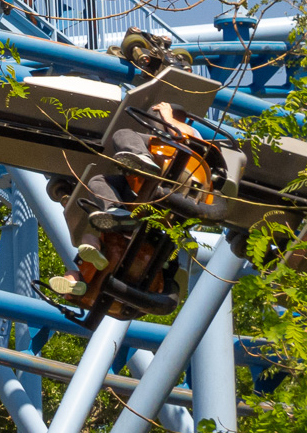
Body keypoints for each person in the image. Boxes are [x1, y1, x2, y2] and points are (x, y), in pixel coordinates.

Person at [48, 100, 200, 297]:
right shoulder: (159, 144)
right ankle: (115, 211)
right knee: (98, 182)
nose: (156, 125)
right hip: (144, 202)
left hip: (179, 178)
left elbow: (187, 137)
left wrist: (168, 117)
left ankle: (140, 161)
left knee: (122, 134)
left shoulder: (188, 137)